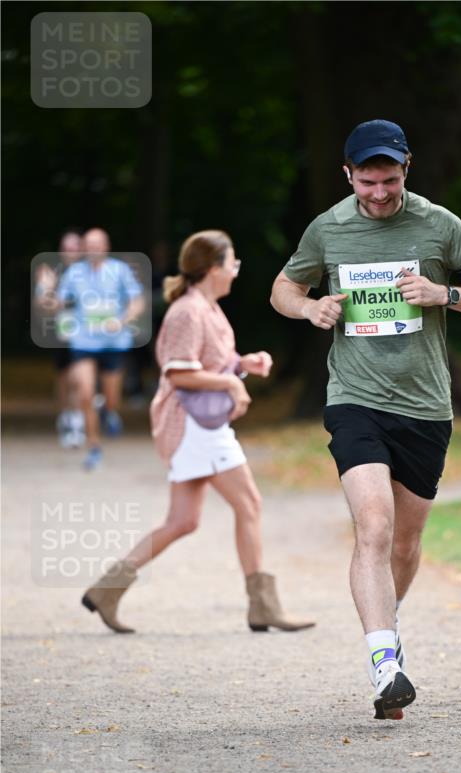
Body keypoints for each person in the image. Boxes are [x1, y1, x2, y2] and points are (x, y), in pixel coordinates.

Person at [270, 119, 461, 721]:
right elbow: (282, 289)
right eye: (367, 181)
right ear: (348, 174)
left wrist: (444, 294)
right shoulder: (327, 228)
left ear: (407, 170)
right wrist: (310, 308)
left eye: (390, 180)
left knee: (405, 541)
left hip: (425, 406)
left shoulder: (440, 225)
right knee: (373, 525)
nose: (379, 193)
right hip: (355, 397)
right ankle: (384, 664)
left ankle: (387, 630)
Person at [81, 229, 314, 636]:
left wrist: (243, 365)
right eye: (231, 262)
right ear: (211, 268)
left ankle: (107, 590)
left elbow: (209, 361)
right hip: (194, 426)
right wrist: (230, 384)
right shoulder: (187, 311)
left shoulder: (207, 308)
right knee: (249, 504)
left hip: (200, 425)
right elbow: (178, 372)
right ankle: (262, 606)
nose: (236, 270)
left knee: (182, 521)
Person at [55, 228, 146, 470]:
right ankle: (94, 447)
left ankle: (108, 410)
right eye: (89, 244)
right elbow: (58, 303)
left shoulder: (120, 270)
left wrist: (122, 321)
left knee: (112, 398)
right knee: (85, 393)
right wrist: (46, 290)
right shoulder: (74, 273)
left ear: (106, 246)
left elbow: (137, 301)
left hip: (114, 343)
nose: (93, 248)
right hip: (83, 342)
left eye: (98, 244)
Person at [33, 230, 85, 448]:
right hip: (62, 332)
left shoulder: (91, 271)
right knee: (64, 377)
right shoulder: (52, 272)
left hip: (87, 334)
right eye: (67, 248)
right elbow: (42, 306)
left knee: (78, 377)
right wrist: (46, 288)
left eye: (75, 247)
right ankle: (66, 417)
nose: (71, 252)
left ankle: (77, 420)